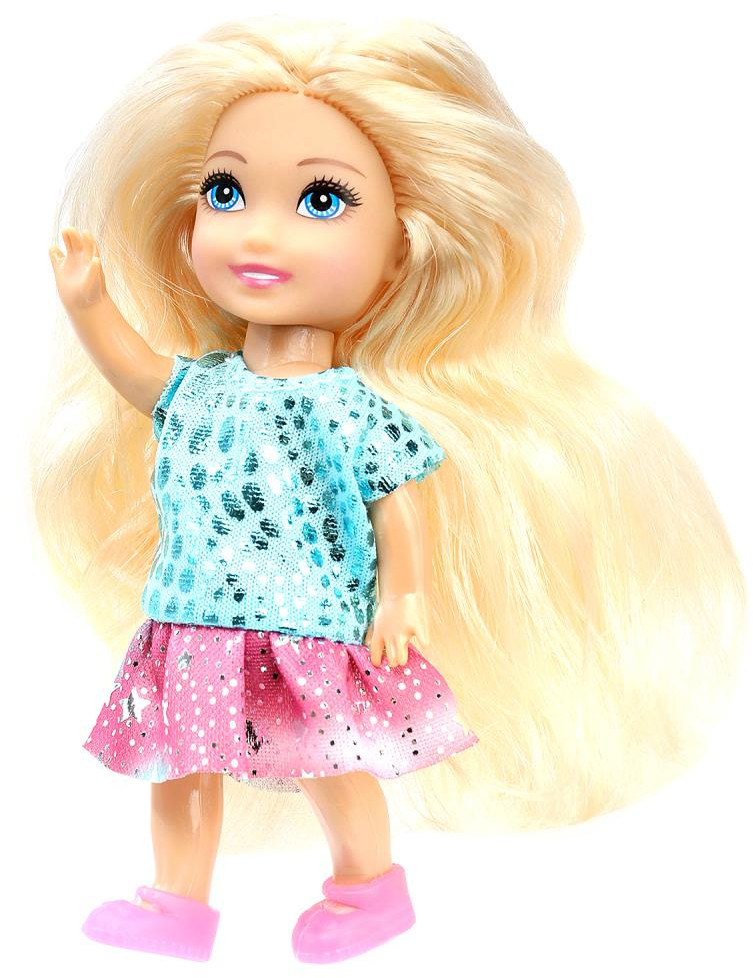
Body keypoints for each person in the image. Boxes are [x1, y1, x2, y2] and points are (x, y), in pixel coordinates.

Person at [32, 14, 747, 966]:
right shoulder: (199, 388)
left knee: (330, 761)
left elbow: (392, 496)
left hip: (306, 620)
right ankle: (174, 902)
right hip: (191, 618)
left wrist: (400, 593)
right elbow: (134, 372)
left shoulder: (345, 406)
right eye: (226, 191)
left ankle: (368, 889)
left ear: (402, 253)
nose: (259, 231)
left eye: (321, 200)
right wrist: (88, 304)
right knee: (178, 763)